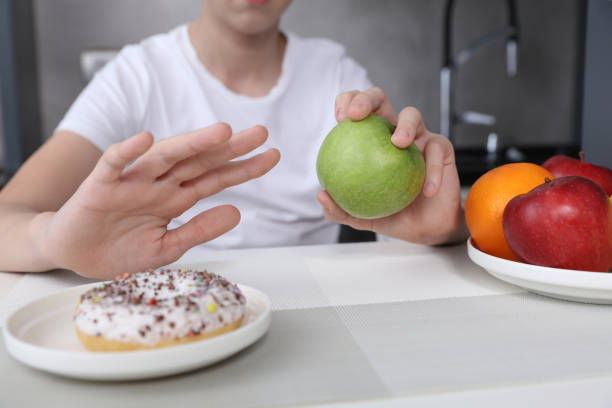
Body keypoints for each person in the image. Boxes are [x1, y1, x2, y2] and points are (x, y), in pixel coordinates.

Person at [0, 0, 466, 279]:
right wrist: (52, 241)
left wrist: (440, 229)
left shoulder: (336, 74)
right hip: (167, 311)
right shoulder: (137, 76)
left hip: (313, 312)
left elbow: (426, 227)